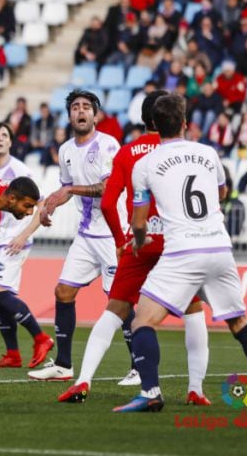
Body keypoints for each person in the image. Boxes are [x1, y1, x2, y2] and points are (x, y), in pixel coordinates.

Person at [114, 94, 247, 412]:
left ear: (154, 125)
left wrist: (139, 240)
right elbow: (221, 192)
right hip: (219, 247)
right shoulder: (209, 154)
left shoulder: (145, 164)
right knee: (241, 324)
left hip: (183, 251)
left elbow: (139, 221)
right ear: (185, 123)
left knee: (142, 322)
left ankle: (151, 391)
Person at [58, 91, 210, 405]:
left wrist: (119, 241)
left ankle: (82, 380)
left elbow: (109, 202)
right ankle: (196, 389)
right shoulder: (189, 151)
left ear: (144, 119)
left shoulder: (127, 153)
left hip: (139, 245)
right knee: (194, 312)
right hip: (177, 244)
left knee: (114, 311)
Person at [27, 90, 120, 382]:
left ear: (95, 115)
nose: (80, 112)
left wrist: (67, 191)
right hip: (86, 234)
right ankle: (64, 366)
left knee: (119, 300)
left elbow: (106, 189)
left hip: (112, 234)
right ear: (69, 116)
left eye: (86, 107)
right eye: (75, 107)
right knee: (63, 292)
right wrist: (50, 204)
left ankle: (136, 368)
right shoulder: (66, 150)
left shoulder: (108, 145)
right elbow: (66, 189)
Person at [0, 123, 53, 369]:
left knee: (1, 292)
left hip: (14, 240)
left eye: (4, 135)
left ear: (11, 142)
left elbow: (39, 205)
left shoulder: (20, 170)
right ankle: (12, 354)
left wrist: (24, 235)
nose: (0, 139)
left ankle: (41, 338)